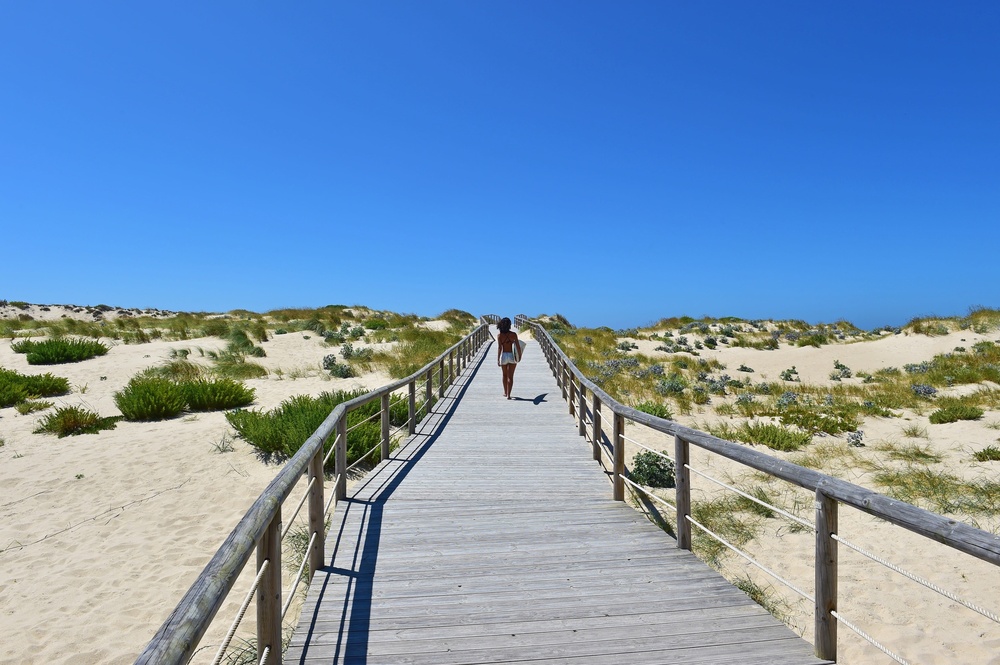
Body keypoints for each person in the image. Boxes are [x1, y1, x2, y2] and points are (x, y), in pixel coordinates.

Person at [496, 317, 520, 399]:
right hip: (511, 355)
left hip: (504, 355)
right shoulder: (513, 335)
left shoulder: (499, 336)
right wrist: (519, 356)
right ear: (509, 325)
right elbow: (518, 347)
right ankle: (509, 395)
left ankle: (505, 392)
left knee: (504, 375)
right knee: (510, 376)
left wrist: (498, 359)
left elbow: (500, 348)